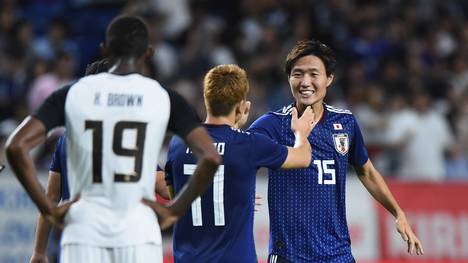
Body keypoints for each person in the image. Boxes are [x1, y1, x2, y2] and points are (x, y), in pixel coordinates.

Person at [6, 15, 221, 263]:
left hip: (83, 230)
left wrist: (49, 208)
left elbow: (16, 146)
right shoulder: (162, 97)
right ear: (149, 53)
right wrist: (176, 210)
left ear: (105, 49)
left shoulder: (74, 93)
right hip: (138, 231)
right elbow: (210, 156)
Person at [249, 40, 424, 263]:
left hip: (337, 255)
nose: (305, 82)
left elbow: (366, 171)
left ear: (329, 78)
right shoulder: (271, 125)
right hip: (288, 256)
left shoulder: (345, 123)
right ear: (289, 78)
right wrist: (240, 190)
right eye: (298, 74)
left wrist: (398, 213)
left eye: (314, 74)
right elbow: (240, 159)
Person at [164, 64, 316, 263]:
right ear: (242, 106)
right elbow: (303, 157)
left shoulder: (178, 142)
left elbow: (176, 196)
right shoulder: (249, 145)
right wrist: (301, 133)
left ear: (206, 99)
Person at [28, 59, 170, 263]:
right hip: (127, 241)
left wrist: (39, 251)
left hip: (81, 241)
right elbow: (164, 186)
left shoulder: (68, 138)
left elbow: (50, 197)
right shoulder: (131, 133)